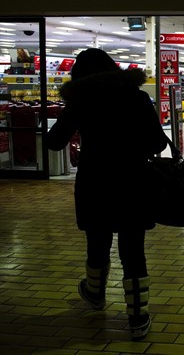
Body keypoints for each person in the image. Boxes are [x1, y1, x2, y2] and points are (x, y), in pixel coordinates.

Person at [47, 48, 169, 341]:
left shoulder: (80, 102)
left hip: (95, 182)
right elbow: (158, 142)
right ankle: (138, 318)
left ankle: (95, 293)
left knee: (97, 242)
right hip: (133, 181)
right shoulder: (137, 97)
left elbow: (54, 142)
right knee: (133, 250)